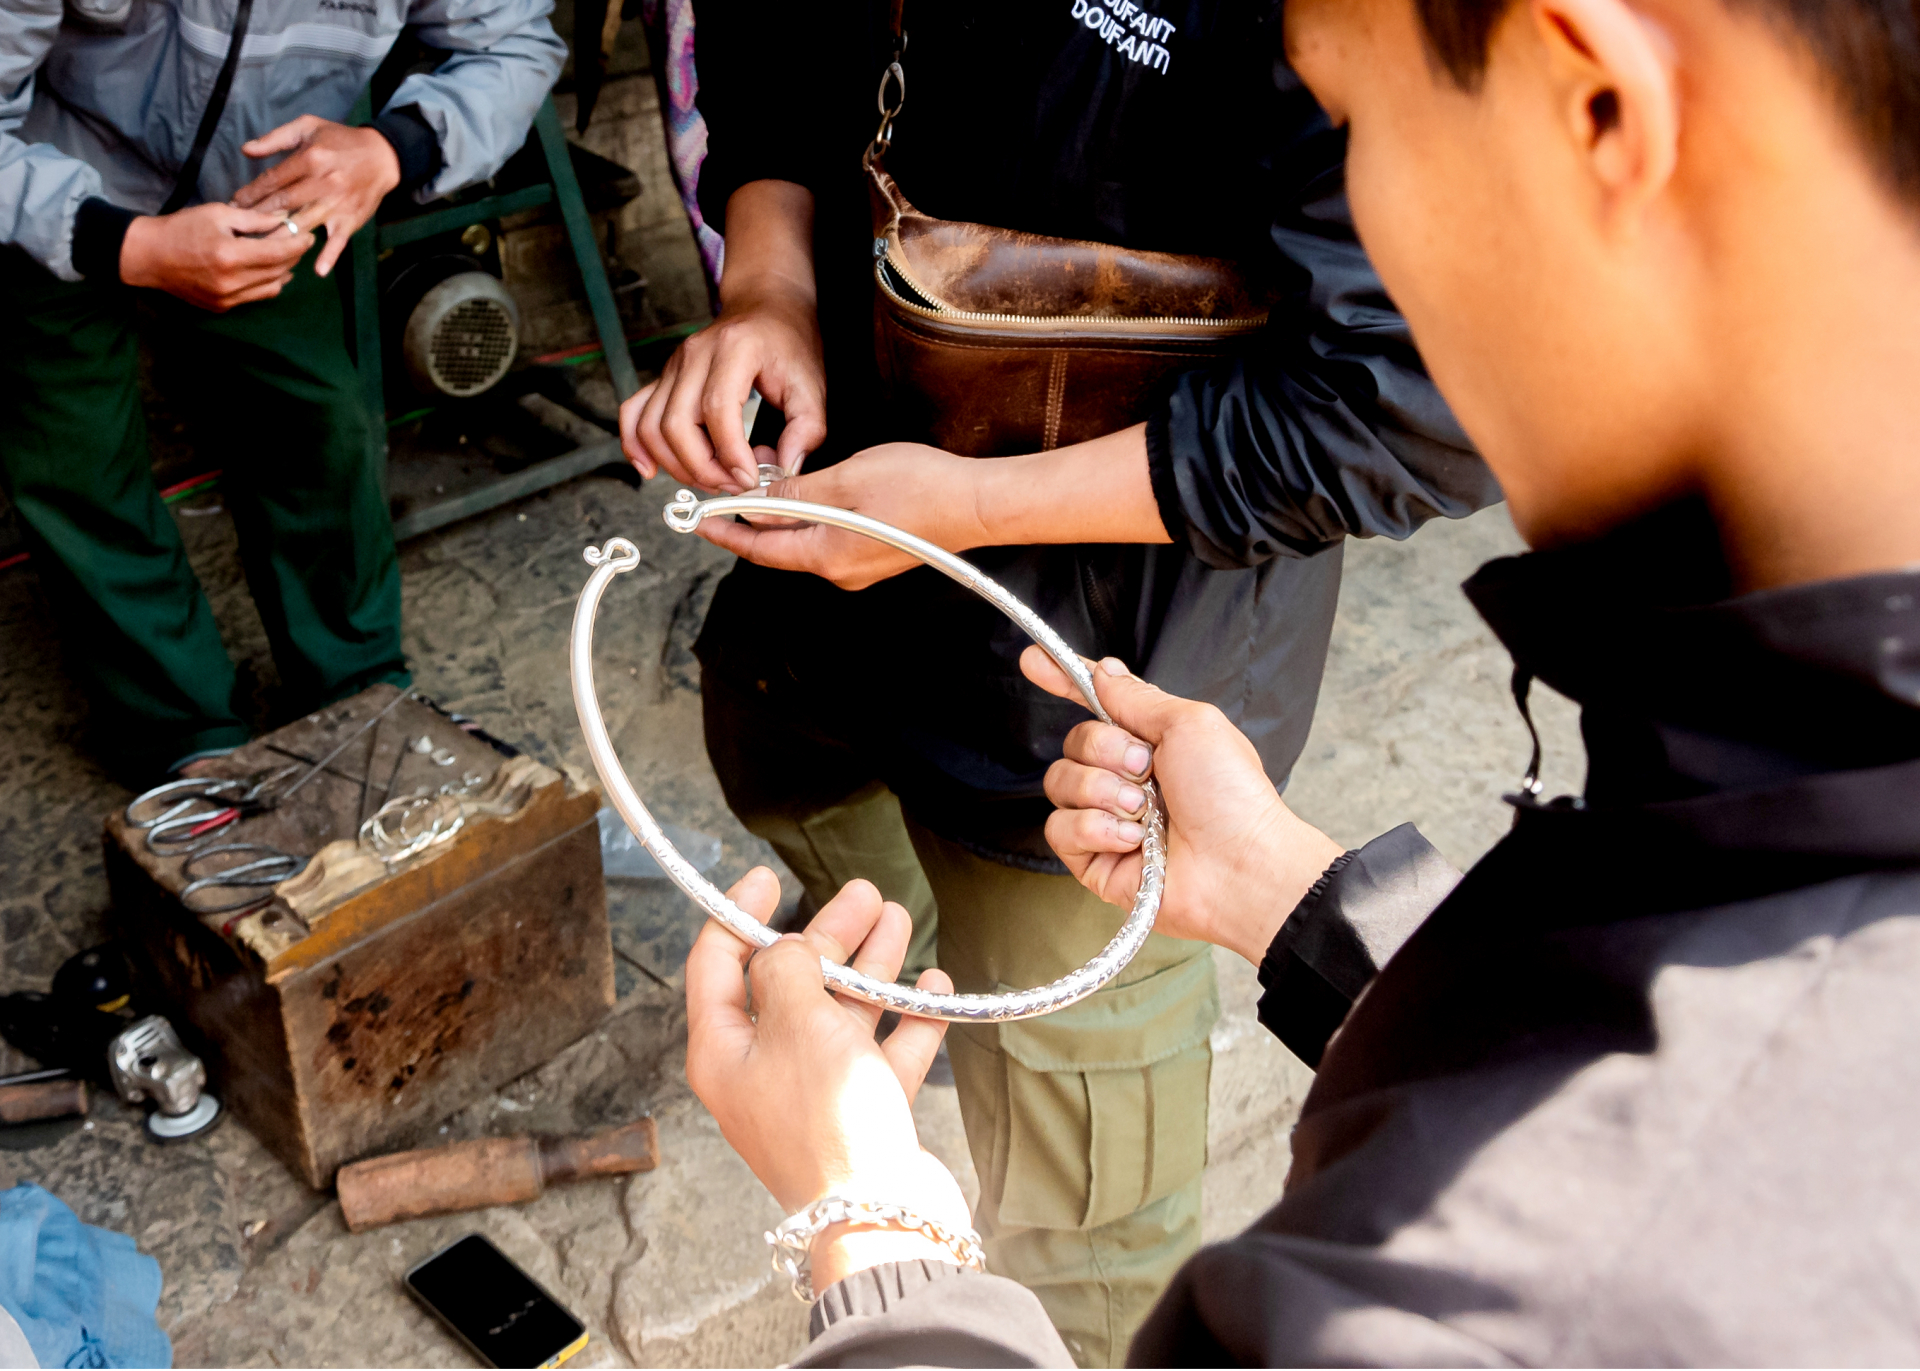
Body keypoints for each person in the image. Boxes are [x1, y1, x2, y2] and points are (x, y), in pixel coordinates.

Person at [678, 0, 1920, 1360]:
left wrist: (867, 1233)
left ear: (1599, 105)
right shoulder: (1795, 817)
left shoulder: (1485, 1291)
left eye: (1365, 126)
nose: (1353, 228)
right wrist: (1310, 905)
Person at [620, 7, 1495, 1357]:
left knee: (1083, 1232)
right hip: (829, 551)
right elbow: (776, 39)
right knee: (786, 766)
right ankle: (914, 1000)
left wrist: (965, 509)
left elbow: (1406, 410)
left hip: (1095, 684)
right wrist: (771, 287)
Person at [0, 0, 565, 780]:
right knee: (75, 462)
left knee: (317, 430)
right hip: (52, 182)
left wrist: (392, 149)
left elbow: (517, 42)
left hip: (263, 201)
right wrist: (125, 244)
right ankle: (180, 737)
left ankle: (357, 691)